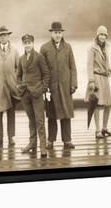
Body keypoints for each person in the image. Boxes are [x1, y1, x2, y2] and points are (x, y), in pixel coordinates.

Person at [40, 21, 78, 150]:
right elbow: (42, 70)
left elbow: (73, 67)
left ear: (62, 34)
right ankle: (50, 140)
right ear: (51, 33)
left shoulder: (68, 47)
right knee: (51, 115)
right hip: (51, 88)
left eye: (60, 33)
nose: (58, 35)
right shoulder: (44, 48)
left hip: (66, 86)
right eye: (55, 33)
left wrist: (73, 84)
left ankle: (67, 140)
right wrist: (45, 87)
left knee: (66, 114)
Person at [17, 34, 50, 158]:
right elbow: (18, 75)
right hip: (25, 94)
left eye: (29, 42)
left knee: (40, 120)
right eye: (25, 43)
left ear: (33, 43)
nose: (27, 45)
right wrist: (20, 85)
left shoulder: (39, 57)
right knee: (31, 120)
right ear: (23, 44)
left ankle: (42, 146)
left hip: (37, 93)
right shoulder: (21, 59)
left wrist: (42, 88)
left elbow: (46, 74)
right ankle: (32, 143)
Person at [0, 26, 21, 147]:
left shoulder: (15, 51)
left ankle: (11, 137)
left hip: (11, 87)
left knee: (11, 113)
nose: (3, 37)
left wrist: (15, 79)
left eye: (5, 35)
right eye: (1, 35)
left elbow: (19, 68)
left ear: (8, 36)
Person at [84, 26, 111, 139]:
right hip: (96, 78)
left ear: (106, 37)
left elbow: (106, 62)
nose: (102, 37)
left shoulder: (106, 47)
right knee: (96, 104)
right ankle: (97, 130)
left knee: (108, 104)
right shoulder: (92, 48)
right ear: (97, 35)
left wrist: (109, 68)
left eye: (104, 35)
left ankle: (104, 129)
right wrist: (91, 80)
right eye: (100, 34)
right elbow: (89, 65)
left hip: (105, 78)